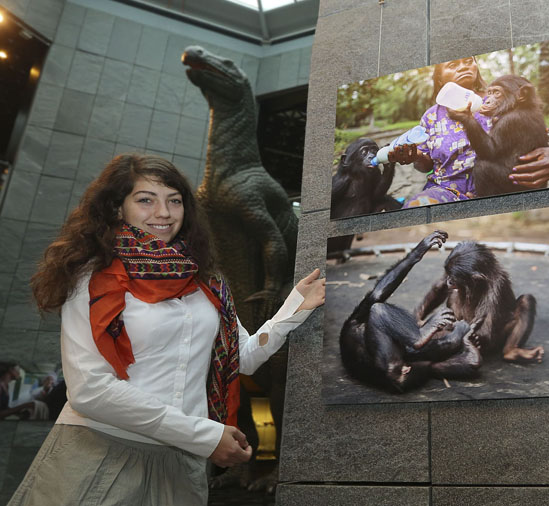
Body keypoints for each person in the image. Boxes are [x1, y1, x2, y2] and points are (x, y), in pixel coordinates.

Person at [9, 155, 325, 505]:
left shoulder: (207, 283)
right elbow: (90, 391)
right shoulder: (92, 279)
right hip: (101, 451)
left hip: (182, 462)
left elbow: (242, 358)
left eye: (174, 200)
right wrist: (203, 435)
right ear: (118, 208)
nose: (164, 212)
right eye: (146, 200)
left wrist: (295, 306)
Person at [392, 57, 549, 207]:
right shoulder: (431, 116)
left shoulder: (502, 101)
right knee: (415, 205)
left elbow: (539, 137)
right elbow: (425, 164)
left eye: (468, 61)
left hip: (501, 188)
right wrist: (414, 155)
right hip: (446, 190)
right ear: (439, 78)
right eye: (453, 65)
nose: (463, 67)